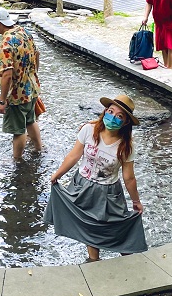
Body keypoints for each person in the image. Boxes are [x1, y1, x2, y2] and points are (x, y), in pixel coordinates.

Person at [45, 94, 147, 262]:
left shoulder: (126, 146)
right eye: (110, 111)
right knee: (88, 224)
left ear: (126, 122)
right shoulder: (89, 130)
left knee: (117, 227)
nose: (112, 117)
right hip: (82, 185)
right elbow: (74, 156)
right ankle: (93, 261)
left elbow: (128, 177)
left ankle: (130, 261)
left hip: (108, 192)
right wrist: (57, 175)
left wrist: (136, 201)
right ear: (105, 111)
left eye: (119, 116)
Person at [0, 6, 42, 160]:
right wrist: (33, 74)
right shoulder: (25, 32)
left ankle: (17, 161)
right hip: (32, 88)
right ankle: (38, 149)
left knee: (18, 131)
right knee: (30, 121)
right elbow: (37, 54)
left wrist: (2, 101)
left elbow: (7, 75)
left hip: (17, 95)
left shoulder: (6, 43)